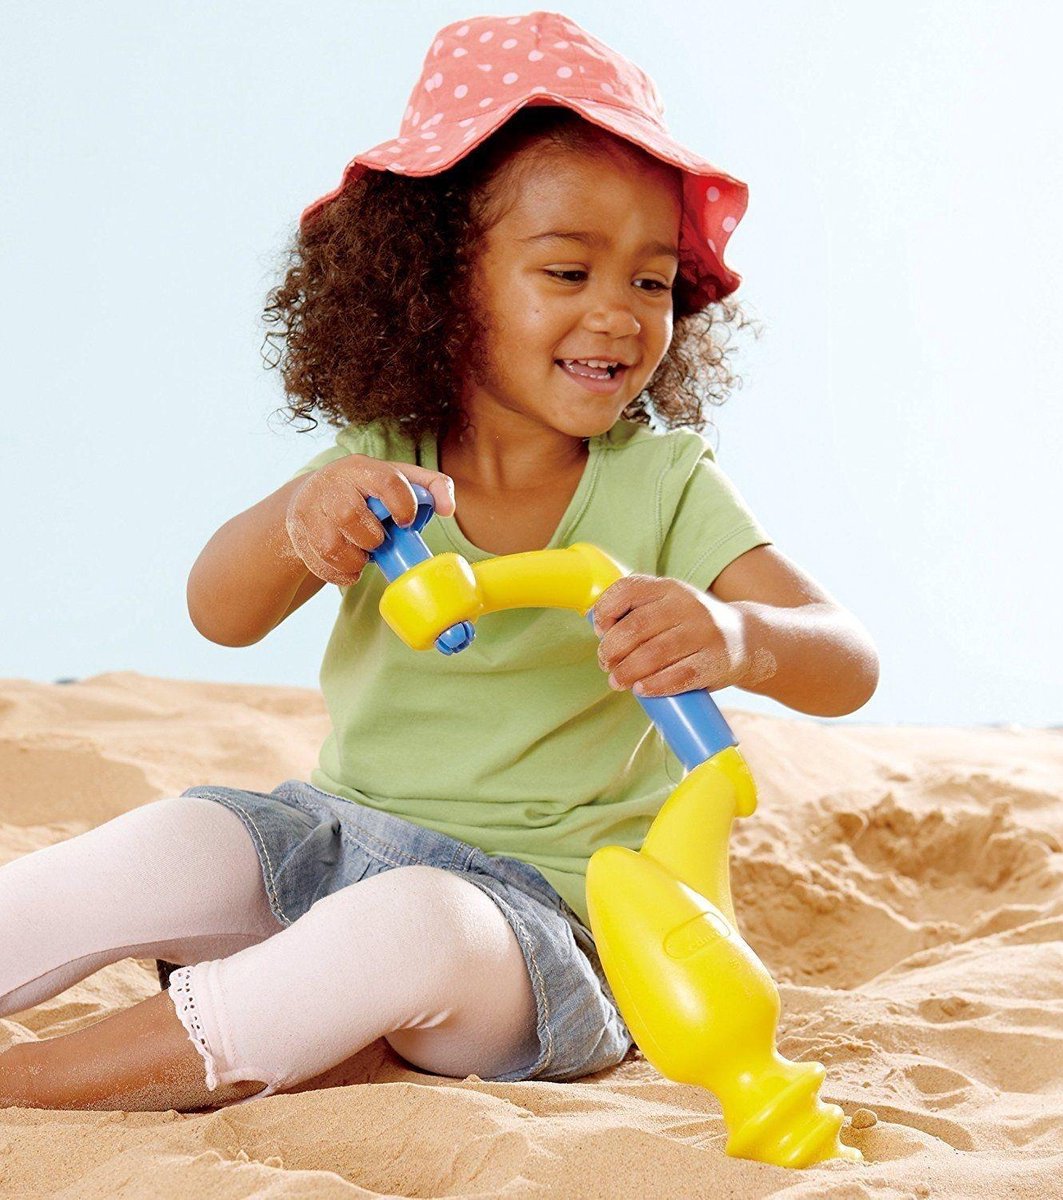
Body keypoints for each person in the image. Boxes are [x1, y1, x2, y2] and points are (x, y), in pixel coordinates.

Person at [0, 10, 879, 1112]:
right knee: (180, 837)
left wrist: (738, 636)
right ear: (437, 279)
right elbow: (218, 613)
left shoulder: (664, 486)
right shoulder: (378, 464)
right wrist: (295, 526)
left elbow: (847, 662)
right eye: (567, 270)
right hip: (331, 842)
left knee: (409, 925)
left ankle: (31, 1084)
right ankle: (315, 1026)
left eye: (652, 282)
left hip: (534, 925)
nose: (618, 311)